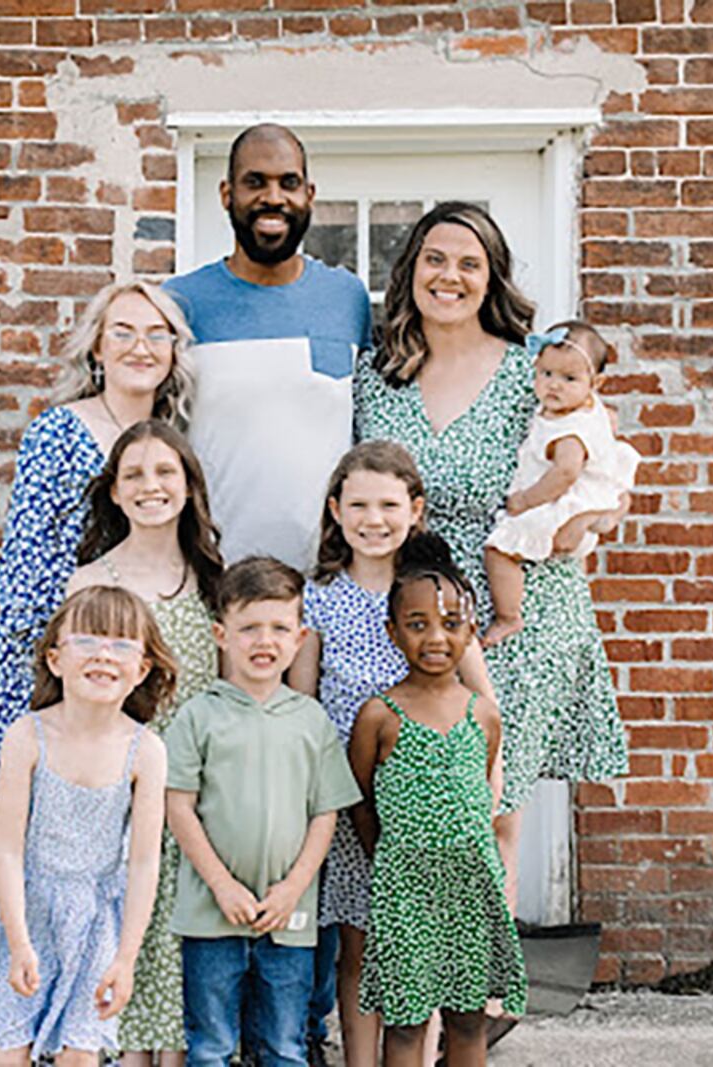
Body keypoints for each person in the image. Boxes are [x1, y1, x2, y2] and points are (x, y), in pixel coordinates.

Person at [351, 200, 630, 924]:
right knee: (420, 808)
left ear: (492, 277)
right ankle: (429, 994)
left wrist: (598, 517)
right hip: (414, 610)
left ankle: (484, 997)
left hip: (522, 607)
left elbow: (602, 464)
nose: (450, 277)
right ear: (410, 269)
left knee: (494, 810)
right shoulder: (375, 375)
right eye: (435, 260)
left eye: (469, 263)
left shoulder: (533, 372)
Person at [0, 280, 194, 824]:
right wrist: (57, 668)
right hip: (66, 656)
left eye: (157, 334)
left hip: (135, 659)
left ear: (174, 352)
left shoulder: (174, 438)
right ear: (97, 348)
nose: (140, 347)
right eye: (122, 333)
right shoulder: (59, 431)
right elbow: (24, 563)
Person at [288, 445, 495, 1067]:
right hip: (353, 800)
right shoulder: (320, 596)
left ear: (415, 510)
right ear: (335, 510)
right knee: (361, 947)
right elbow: (301, 703)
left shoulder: (436, 596)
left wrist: (483, 800)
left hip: (433, 810)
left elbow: (483, 703)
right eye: (358, 505)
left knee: (425, 949)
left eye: (388, 504)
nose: (372, 519)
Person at [0, 586, 174, 1066]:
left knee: (81, 1054)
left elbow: (145, 863)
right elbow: (7, 851)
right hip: (24, 910)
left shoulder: (145, 751)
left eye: (122, 644)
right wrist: (20, 941)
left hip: (95, 920)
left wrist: (126, 959)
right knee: (10, 1048)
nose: (104, 654)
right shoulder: (28, 737)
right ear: (55, 659)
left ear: (143, 668)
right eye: (87, 640)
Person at [63, 420, 225, 1067]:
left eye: (165, 472)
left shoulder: (213, 579)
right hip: (121, 793)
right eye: (133, 473)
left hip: (196, 796)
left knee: (184, 948)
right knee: (126, 935)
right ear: (113, 491)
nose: (150, 485)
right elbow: (68, 699)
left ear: (188, 487)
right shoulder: (91, 583)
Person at [165, 557, 363, 1067]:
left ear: (299, 640)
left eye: (279, 628)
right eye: (249, 627)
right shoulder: (198, 715)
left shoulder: (310, 719)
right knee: (209, 1046)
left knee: (284, 1046)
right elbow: (179, 807)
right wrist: (222, 885)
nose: (264, 641)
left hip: (288, 914)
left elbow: (325, 815)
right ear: (220, 635)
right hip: (211, 913)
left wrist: (294, 886)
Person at [348, 535, 526, 1067]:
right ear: (393, 632)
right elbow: (361, 803)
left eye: (451, 624)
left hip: (470, 885)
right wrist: (394, 860)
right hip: (406, 889)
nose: (435, 638)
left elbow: (483, 791)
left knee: (468, 1019)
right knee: (405, 1022)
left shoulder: (482, 715)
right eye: (418, 623)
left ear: (471, 632)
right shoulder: (380, 715)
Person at [165, 124, 372, 571]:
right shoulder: (179, 303)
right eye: (255, 182)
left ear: (309, 194)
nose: (273, 197)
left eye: (288, 183)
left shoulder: (346, 298)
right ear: (226, 194)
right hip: (212, 576)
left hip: (327, 579)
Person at [483, 322, 641, 647]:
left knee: (499, 550)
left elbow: (565, 474)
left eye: (569, 379)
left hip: (563, 502)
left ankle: (508, 615)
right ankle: (598, 514)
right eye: (546, 374)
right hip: (593, 492)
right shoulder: (587, 408)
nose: (554, 386)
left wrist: (525, 501)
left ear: (595, 383)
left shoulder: (568, 431)